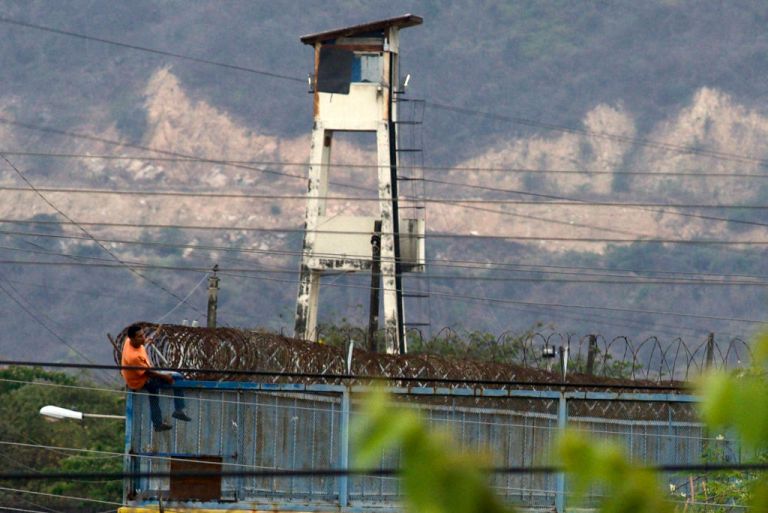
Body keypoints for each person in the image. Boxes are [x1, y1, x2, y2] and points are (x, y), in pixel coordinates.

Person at [121, 324, 191, 432]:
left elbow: (142, 345)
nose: (143, 337)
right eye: (140, 336)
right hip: (141, 380)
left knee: (154, 395)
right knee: (177, 377)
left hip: (136, 377)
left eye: (143, 335)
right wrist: (166, 377)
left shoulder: (128, 342)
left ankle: (158, 424)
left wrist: (146, 340)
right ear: (133, 339)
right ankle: (179, 410)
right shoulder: (133, 357)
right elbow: (149, 373)